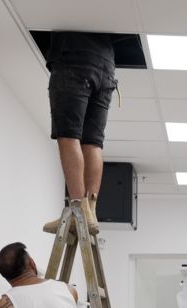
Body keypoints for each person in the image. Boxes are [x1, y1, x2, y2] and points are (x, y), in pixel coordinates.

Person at [41, 31, 118, 235]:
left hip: (72, 56)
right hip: (106, 66)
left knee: (68, 135)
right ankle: (89, 211)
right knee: (92, 142)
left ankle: (77, 210)